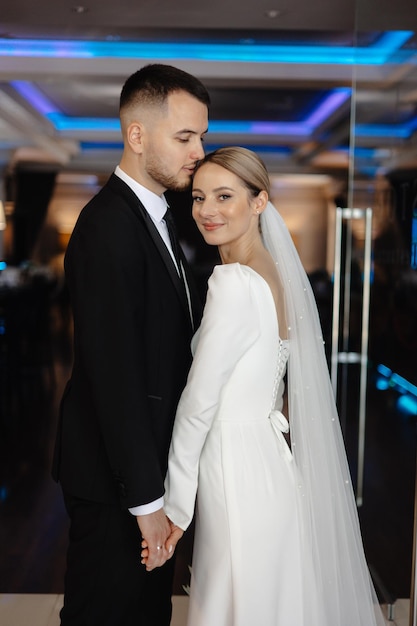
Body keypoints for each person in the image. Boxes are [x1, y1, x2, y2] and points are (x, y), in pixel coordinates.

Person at [154, 147, 386, 625]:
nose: (207, 211)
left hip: (234, 466)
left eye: (224, 196)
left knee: (235, 598)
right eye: (198, 197)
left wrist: (175, 507)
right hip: (268, 462)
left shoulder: (235, 282)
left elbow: (199, 404)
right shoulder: (274, 275)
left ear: (259, 202)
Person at [51, 63, 210, 626]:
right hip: (116, 480)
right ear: (137, 135)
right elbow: (112, 375)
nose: (198, 151)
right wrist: (146, 502)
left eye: (202, 137)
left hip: (148, 469)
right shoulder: (105, 228)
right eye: (185, 137)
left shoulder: (171, 222)